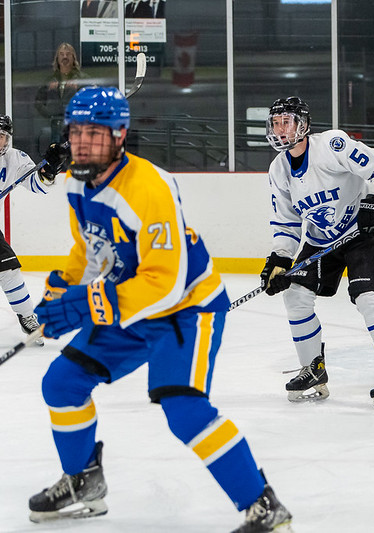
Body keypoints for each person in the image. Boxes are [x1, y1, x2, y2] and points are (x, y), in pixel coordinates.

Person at [29, 87, 292, 533]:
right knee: (62, 382)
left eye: (94, 133)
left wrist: (85, 305)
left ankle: (263, 507)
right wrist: (60, 287)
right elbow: (91, 249)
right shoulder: (78, 181)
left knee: (185, 411)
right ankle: (83, 482)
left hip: (186, 309)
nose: (81, 142)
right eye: (76, 131)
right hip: (130, 304)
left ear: (119, 135)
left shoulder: (150, 187)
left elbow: (164, 285)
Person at [260, 96, 374, 409]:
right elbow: (287, 222)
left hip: (361, 232)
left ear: (303, 124)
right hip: (320, 241)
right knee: (295, 296)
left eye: (286, 121)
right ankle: (313, 369)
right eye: (276, 123)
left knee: (369, 299)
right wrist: (278, 259)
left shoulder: (331, 145)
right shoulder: (278, 170)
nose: (280, 129)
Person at [0, 115, 69, 346]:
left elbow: (39, 185)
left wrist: (52, 167)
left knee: (9, 269)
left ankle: (27, 317)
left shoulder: (15, 159)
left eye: (1, 137)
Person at [34, 43, 86, 146]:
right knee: (56, 155)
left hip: (75, 124)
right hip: (56, 124)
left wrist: (78, 90)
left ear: (73, 57)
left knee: (74, 154)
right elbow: (38, 102)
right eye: (61, 54)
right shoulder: (50, 80)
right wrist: (50, 114)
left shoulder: (81, 79)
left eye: (68, 54)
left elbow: (90, 101)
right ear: (57, 58)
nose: (65, 57)